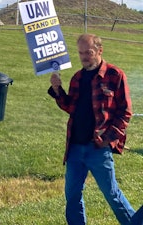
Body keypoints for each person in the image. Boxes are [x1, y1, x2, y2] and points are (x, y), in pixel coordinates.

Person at [48, 33, 135, 224]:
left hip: (98, 148)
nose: (84, 57)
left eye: (88, 52)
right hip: (75, 148)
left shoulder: (115, 75)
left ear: (99, 50)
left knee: (112, 195)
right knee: (72, 198)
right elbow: (71, 107)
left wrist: (109, 138)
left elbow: (126, 112)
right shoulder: (77, 77)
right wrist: (57, 91)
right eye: (80, 53)